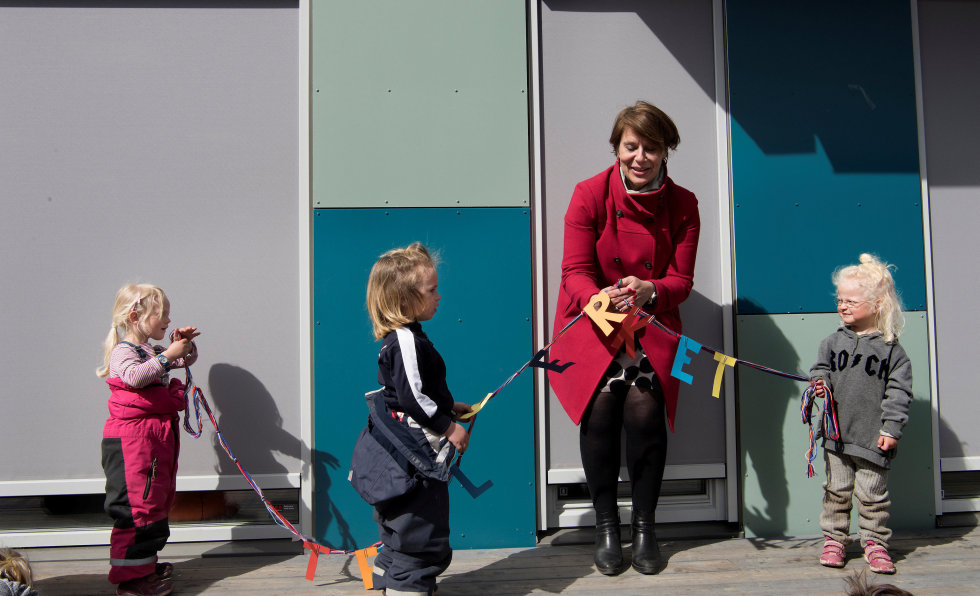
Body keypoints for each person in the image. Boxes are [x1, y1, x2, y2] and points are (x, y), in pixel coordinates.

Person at [548, 101, 701, 575]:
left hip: (652, 328)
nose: (640, 157)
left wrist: (652, 289)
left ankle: (646, 528)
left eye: (651, 148)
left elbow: (682, 282)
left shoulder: (684, 204)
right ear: (616, 147)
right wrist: (600, 302)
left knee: (646, 414)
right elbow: (573, 270)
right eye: (631, 146)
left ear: (665, 152)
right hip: (593, 325)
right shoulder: (589, 195)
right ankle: (607, 527)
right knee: (598, 414)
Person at [363, 242, 472, 595]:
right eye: (431, 290)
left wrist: (447, 405)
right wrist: (449, 427)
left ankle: (381, 581)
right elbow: (410, 397)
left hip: (393, 453)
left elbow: (410, 389)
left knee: (397, 526)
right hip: (412, 458)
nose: (438, 295)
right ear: (404, 299)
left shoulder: (406, 338)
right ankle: (405, 588)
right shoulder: (406, 340)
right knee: (420, 529)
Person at [810, 254, 912, 575]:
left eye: (851, 301)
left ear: (877, 304)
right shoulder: (831, 342)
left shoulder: (892, 351)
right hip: (836, 437)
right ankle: (835, 540)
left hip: (872, 439)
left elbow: (899, 395)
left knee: (872, 496)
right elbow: (819, 371)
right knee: (835, 492)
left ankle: (874, 543)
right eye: (840, 300)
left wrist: (891, 430)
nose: (843, 306)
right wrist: (820, 385)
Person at [96, 283, 200, 596]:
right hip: (132, 444)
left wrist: (183, 347)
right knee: (136, 509)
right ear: (136, 315)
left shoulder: (151, 351)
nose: (168, 319)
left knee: (154, 504)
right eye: (162, 314)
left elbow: (185, 362)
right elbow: (135, 377)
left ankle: (144, 564)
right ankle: (131, 581)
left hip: (152, 441)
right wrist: (168, 356)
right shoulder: (123, 352)